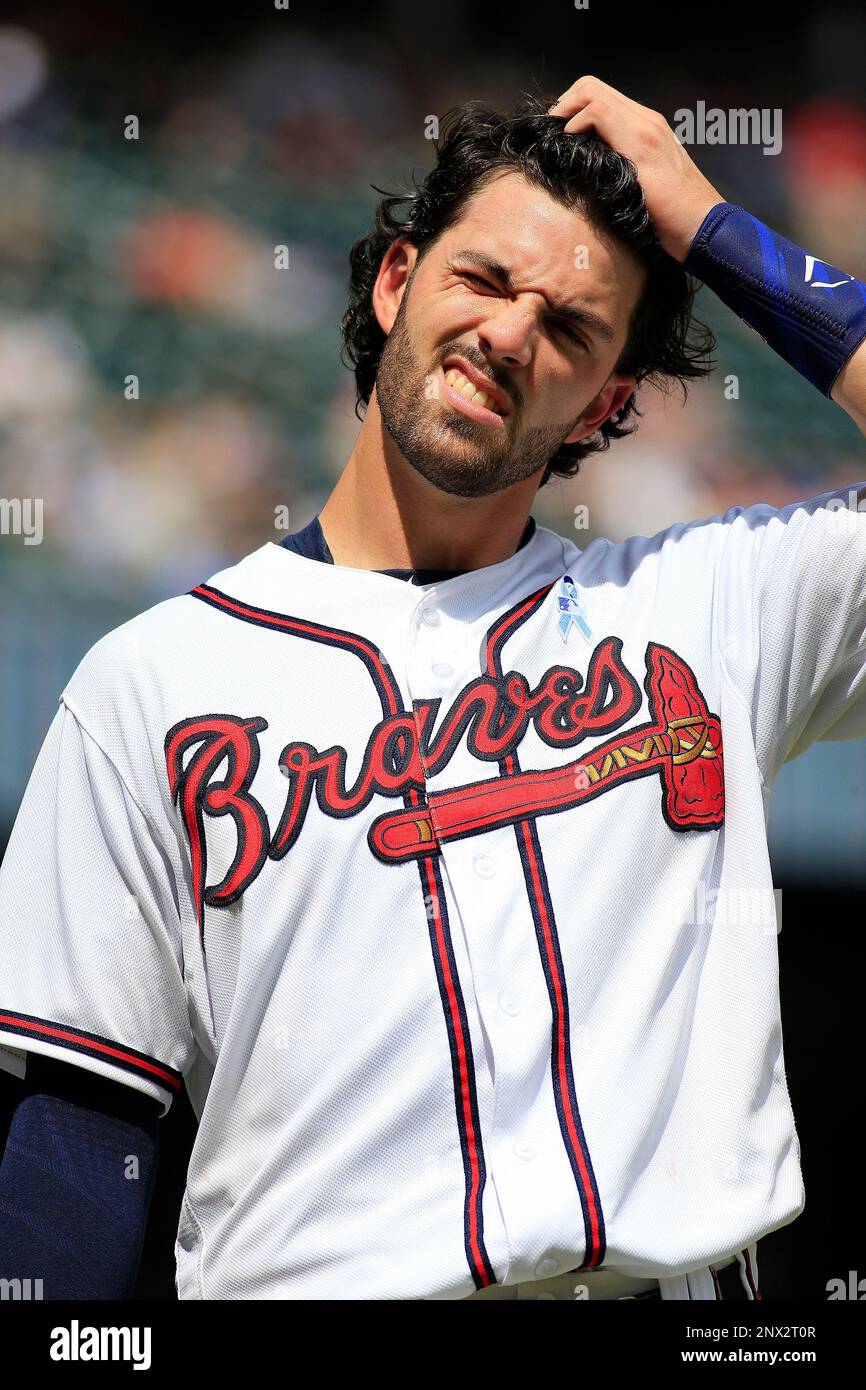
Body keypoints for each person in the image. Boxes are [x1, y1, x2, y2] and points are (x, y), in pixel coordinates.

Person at [1, 78, 865, 1301]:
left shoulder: (715, 607)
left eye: (571, 329)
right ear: (395, 281)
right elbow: (83, 1137)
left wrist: (707, 223)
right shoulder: (150, 684)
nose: (513, 334)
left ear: (607, 402)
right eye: (484, 281)